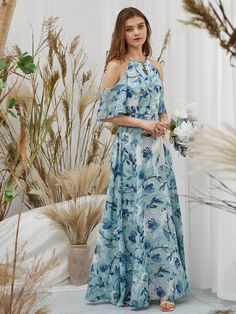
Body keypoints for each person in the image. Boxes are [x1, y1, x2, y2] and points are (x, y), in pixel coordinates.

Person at [85, 7, 189, 312]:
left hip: (156, 153)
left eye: (140, 26)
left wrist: (167, 123)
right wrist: (143, 124)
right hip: (130, 153)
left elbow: (161, 108)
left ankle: (165, 288)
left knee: (160, 218)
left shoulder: (156, 66)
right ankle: (134, 288)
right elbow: (105, 114)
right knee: (133, 217)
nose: (136, 32)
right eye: (129, 28)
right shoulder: (116, 66)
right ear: (122, 33)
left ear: (147, 29)